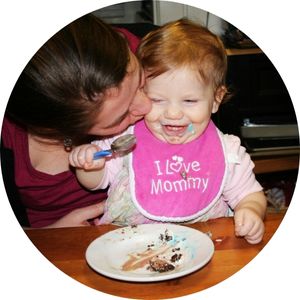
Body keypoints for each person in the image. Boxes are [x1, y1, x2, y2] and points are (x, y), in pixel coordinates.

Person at [69, 19, 267, 244]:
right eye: (157, 100)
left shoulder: (227, 151)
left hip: (206, 247)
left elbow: (249, 194)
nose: (173, 113)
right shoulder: (127, 140)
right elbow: (96, 181)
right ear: (142, 92)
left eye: (190, 100)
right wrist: (88, 166)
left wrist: (251, 211)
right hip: (128, 247)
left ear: (215, 100)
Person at [1, 14, 152, 228]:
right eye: (121, 117)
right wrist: (45, 237)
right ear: (57, 130)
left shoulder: (147, 50)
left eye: (142, 83)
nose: (147, 106)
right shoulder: (9, 138)